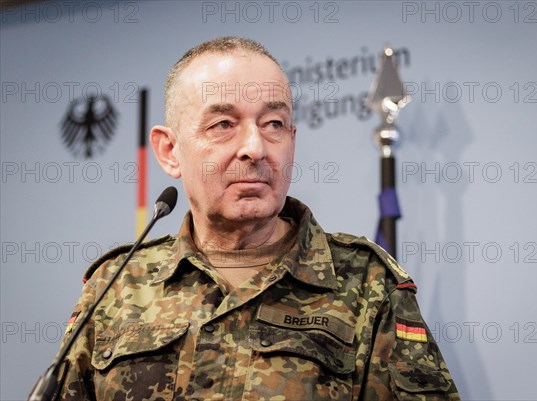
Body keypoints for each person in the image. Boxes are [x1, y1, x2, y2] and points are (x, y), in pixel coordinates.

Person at [48, 36, 461, 401]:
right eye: (223, 124)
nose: (255, 147)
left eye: (273, 124)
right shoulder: (115, 285)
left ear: (292, 141)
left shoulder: (370, 285)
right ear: (170, 151)